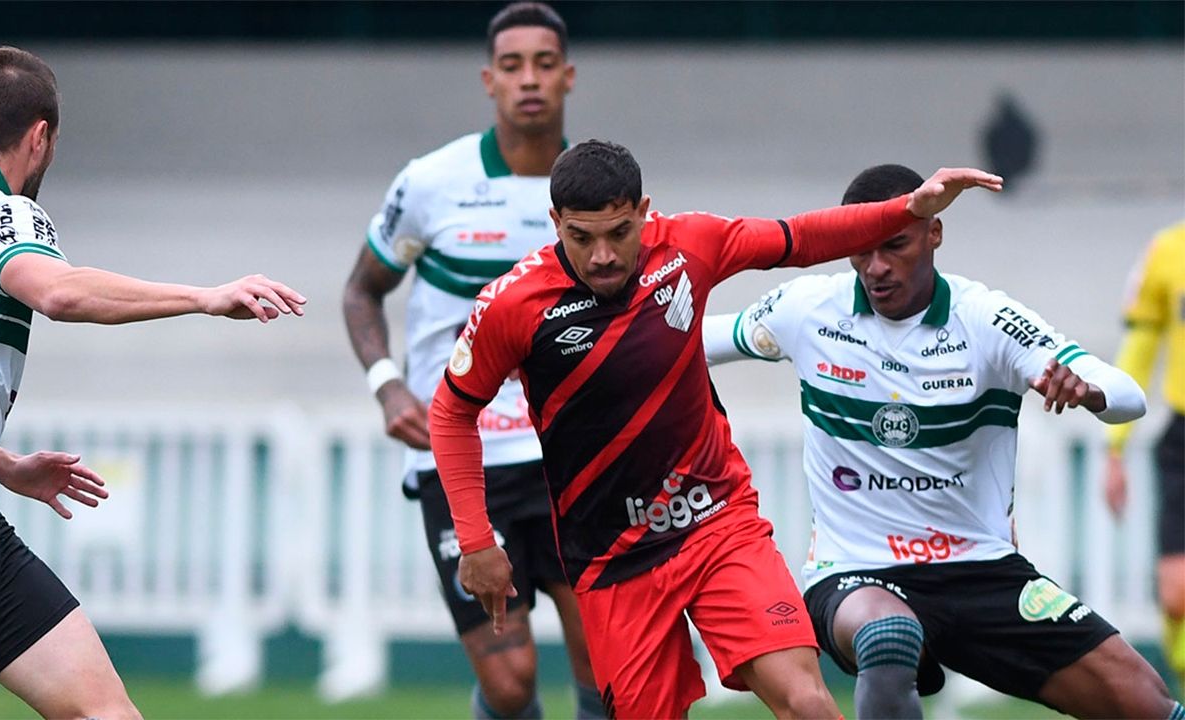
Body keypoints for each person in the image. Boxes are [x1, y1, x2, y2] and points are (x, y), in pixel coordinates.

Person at [428, 140, 1002, 718]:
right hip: (612, 560)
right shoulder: (512, 305)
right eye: (582, 237)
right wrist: (476, 541)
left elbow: (799, 237)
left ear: (644, 212)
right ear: (556, 223)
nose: (602, 255)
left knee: (806, 700)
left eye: (619, 233)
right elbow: (451, 412)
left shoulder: (688, 246)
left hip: (716, 524)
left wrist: (911, 206)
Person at [0, 46, 305, 719]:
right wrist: (206, 296)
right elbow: (58, 292)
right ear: (42, 138)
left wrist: (0, 465)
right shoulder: (2, 215)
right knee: (104, 714)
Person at [702, 163, 1183, 719]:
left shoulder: (986, 320)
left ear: (934, 233)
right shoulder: (807, 311)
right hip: (856, 572)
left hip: (982, 571)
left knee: (1150, 706)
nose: (876, 268)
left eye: (895, 246)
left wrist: (1089, 391)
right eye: (860, 249)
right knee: (888, 637)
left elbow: (1129, 396)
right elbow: (690, 338)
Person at [340, 4, 599, 718]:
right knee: (510, 683)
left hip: (568, 460)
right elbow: (362, 291)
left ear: (568, 76)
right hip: (461, 460)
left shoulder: (593, 193)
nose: (530, 80)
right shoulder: (431, 182)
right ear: (489, 80)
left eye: (545, 64)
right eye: (512, 66)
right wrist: (387, 385)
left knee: (606, 663)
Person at [1105, 221, 1185, 692]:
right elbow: (1140, 346)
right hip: (1182, 438)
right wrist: (1115, 448)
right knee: (1175, 596)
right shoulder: (1167, 249)